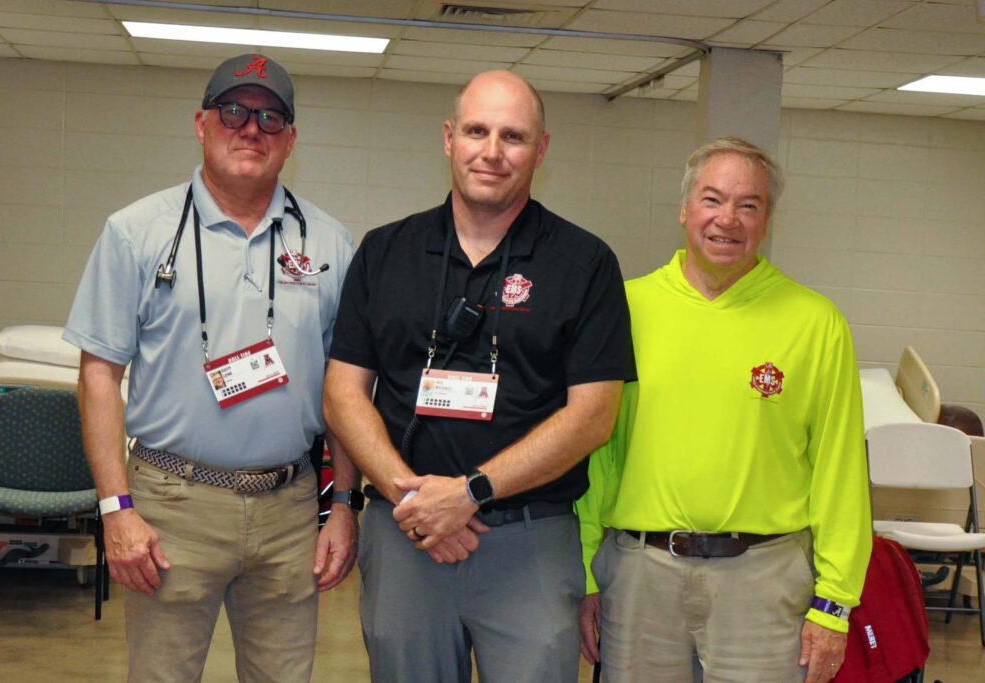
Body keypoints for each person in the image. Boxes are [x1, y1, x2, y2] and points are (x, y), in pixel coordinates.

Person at [322, 70, 634, 683]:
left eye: (513, 136)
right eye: (477, 131)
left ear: (541, 149)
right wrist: (413, 498)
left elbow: (594, 415)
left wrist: (468, 494)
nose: (492, 152)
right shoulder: (386, 252)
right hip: (405, 533)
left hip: (529, 543)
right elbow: (342, 391)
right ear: (448, 138)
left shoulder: (585, 263)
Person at [63, 53, 360, 682]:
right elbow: (98, 375)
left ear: (290, 140)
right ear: (201, 123)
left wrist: (344, 506)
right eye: (233, 111)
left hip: (289, 509)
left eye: (270, 117)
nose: (251, 128)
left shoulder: (330, 245)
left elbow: (348, 390)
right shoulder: (136, 233)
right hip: (171, 506)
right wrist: (116, 508)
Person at [576, 136, 872, 683]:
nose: (728, 220)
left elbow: (841, 472)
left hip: (765, 583)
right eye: (712, 200)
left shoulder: (815, 322)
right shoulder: (625, 308)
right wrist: (585, 574)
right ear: (685, 209)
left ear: (767, 220)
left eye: (749, 205)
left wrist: (835, 601)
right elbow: (597, 455)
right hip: (641, 576)